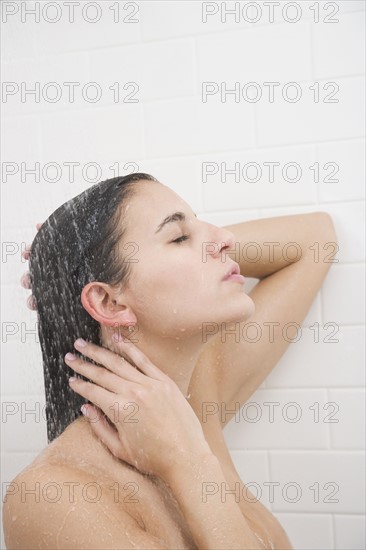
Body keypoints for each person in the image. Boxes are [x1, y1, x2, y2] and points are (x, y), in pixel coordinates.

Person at [3, 173, 337, 549]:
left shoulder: (199, 393)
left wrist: (71, 264)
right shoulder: (54, 499)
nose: (226, 239)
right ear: (109, 303)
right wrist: (186, 461)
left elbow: (316, 240)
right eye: (179, 237)